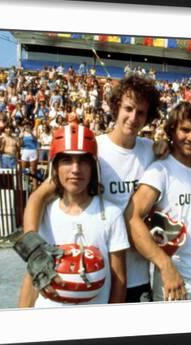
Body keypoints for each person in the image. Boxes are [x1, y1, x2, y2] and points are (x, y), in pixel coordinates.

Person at [22, 75, 162, 303]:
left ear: (148, 117)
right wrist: (32, 244)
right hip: (98, 271)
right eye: (128, 108)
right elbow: (38, 196)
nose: (133, 117)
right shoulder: (93, 150)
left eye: (141, 112)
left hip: (137, 271)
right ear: (116, 107)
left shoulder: (153, 151)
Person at [18, 124, 129, 307]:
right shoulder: (44, 212)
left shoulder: (111, 214)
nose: (75, 169)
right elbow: (32, 276)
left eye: (83, 161)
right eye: (67, 160)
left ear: (93, 167)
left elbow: (119, 281)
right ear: (55, 167)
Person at [125, 103, 191, 301]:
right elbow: (131, 217)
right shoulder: (160, 171)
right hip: (175, 280)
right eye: (185, 130)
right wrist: (165, 265)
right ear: (172, 131)